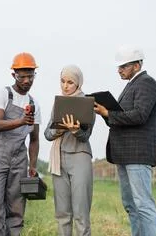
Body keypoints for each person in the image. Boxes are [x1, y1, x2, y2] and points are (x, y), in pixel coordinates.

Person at [94, 45, 156, 236]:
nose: (119, 70)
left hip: (137, 154)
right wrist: (105, 114)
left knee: (143, 205)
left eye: (123, 66)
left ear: (137, 65)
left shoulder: (147, 83)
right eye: (119, 67)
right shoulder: (131, 85)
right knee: (131, 205)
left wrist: (109, 113)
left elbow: (140, 115)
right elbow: (121, 118)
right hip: (125, 155)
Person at [0, 52, 41, 236]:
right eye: (21, 76)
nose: (26, 80)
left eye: (30, 75)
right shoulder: (2, 94)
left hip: (19, 160)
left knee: (16, 209)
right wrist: (22, 120)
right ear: (13, 75)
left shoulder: (34, 103)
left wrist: (32, 165)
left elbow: (34, 139)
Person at [44, 65, 95, 236]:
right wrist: (58, 130)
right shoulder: (58, 103)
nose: (65, 86)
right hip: (59, 158)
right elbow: (47, 133)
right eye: (62, 81)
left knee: (81, 213)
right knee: (62, 213)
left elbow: (86, 135)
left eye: (70, 82)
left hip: (80, 157)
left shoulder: (87, 103)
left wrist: (75, 130)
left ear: (78, 83)